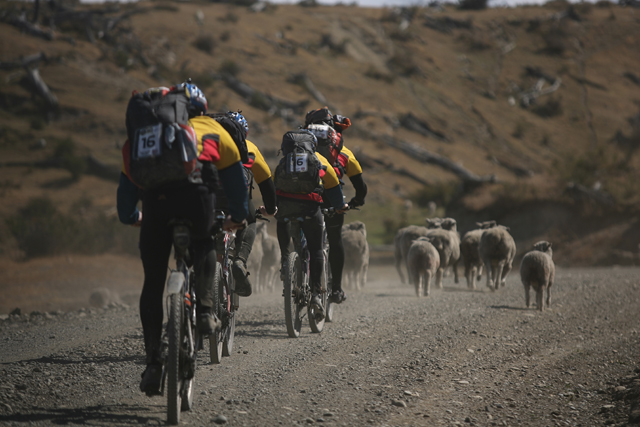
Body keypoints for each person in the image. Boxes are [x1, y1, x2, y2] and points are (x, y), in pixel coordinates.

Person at [117, 82, 248, 396]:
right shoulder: (213, 131)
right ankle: (204, 311)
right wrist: (238, 217)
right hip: (194, 201)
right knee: (204, 244)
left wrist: (136, 218)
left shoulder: (141, 139)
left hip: (156, 208)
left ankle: (152, 362)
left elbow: (126, 199)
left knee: (152, 281)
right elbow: (236, 184)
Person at [274, 129, 348, 319]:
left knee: (281, 219)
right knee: (316, 249)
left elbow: (275, 186)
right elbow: (333, 187)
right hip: (310, 210)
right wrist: (339, 206)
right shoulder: (319, 160)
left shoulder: (284, 162)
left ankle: (284, 261)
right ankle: (316, 294)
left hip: (286, 208)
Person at [304, 107, 368, 305]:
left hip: (305, 199)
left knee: (306, 237)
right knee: (334, 238)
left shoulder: (300, 146)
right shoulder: (344, 152)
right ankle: (337, 289)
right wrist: (356, 201)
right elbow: (360, 187)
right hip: (332, 200)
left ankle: (292, 270)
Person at [223, 112, 278, 297]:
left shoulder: (207, 142)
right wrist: (270, 209)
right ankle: (240, 260)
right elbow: (266, 183)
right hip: (238, 198)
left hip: (208, 195)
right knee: (251, 220)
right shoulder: (250, 147)